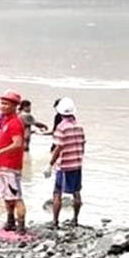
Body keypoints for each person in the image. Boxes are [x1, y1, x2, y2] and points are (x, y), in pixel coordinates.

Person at [0, 90, 26, 233]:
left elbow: (17, 143)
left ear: (14, 106)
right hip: (2, 165)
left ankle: (21, 226)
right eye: (2, 103)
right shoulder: (6, 120)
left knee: (16, 197)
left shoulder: (15, 123)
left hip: (11, 166)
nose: (3, 106)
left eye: (6, 104)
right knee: (6, 195)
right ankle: (10, 221)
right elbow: (5, 136)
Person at [45, 97, 86, 228]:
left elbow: (58, 148)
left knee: (57, 193)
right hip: (77, 165)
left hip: (64, 166)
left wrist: (50, 164)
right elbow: (83, 145)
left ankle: (55, 222)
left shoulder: (61, 128)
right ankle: (75, 219)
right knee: (76, 192)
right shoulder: (80, 127)